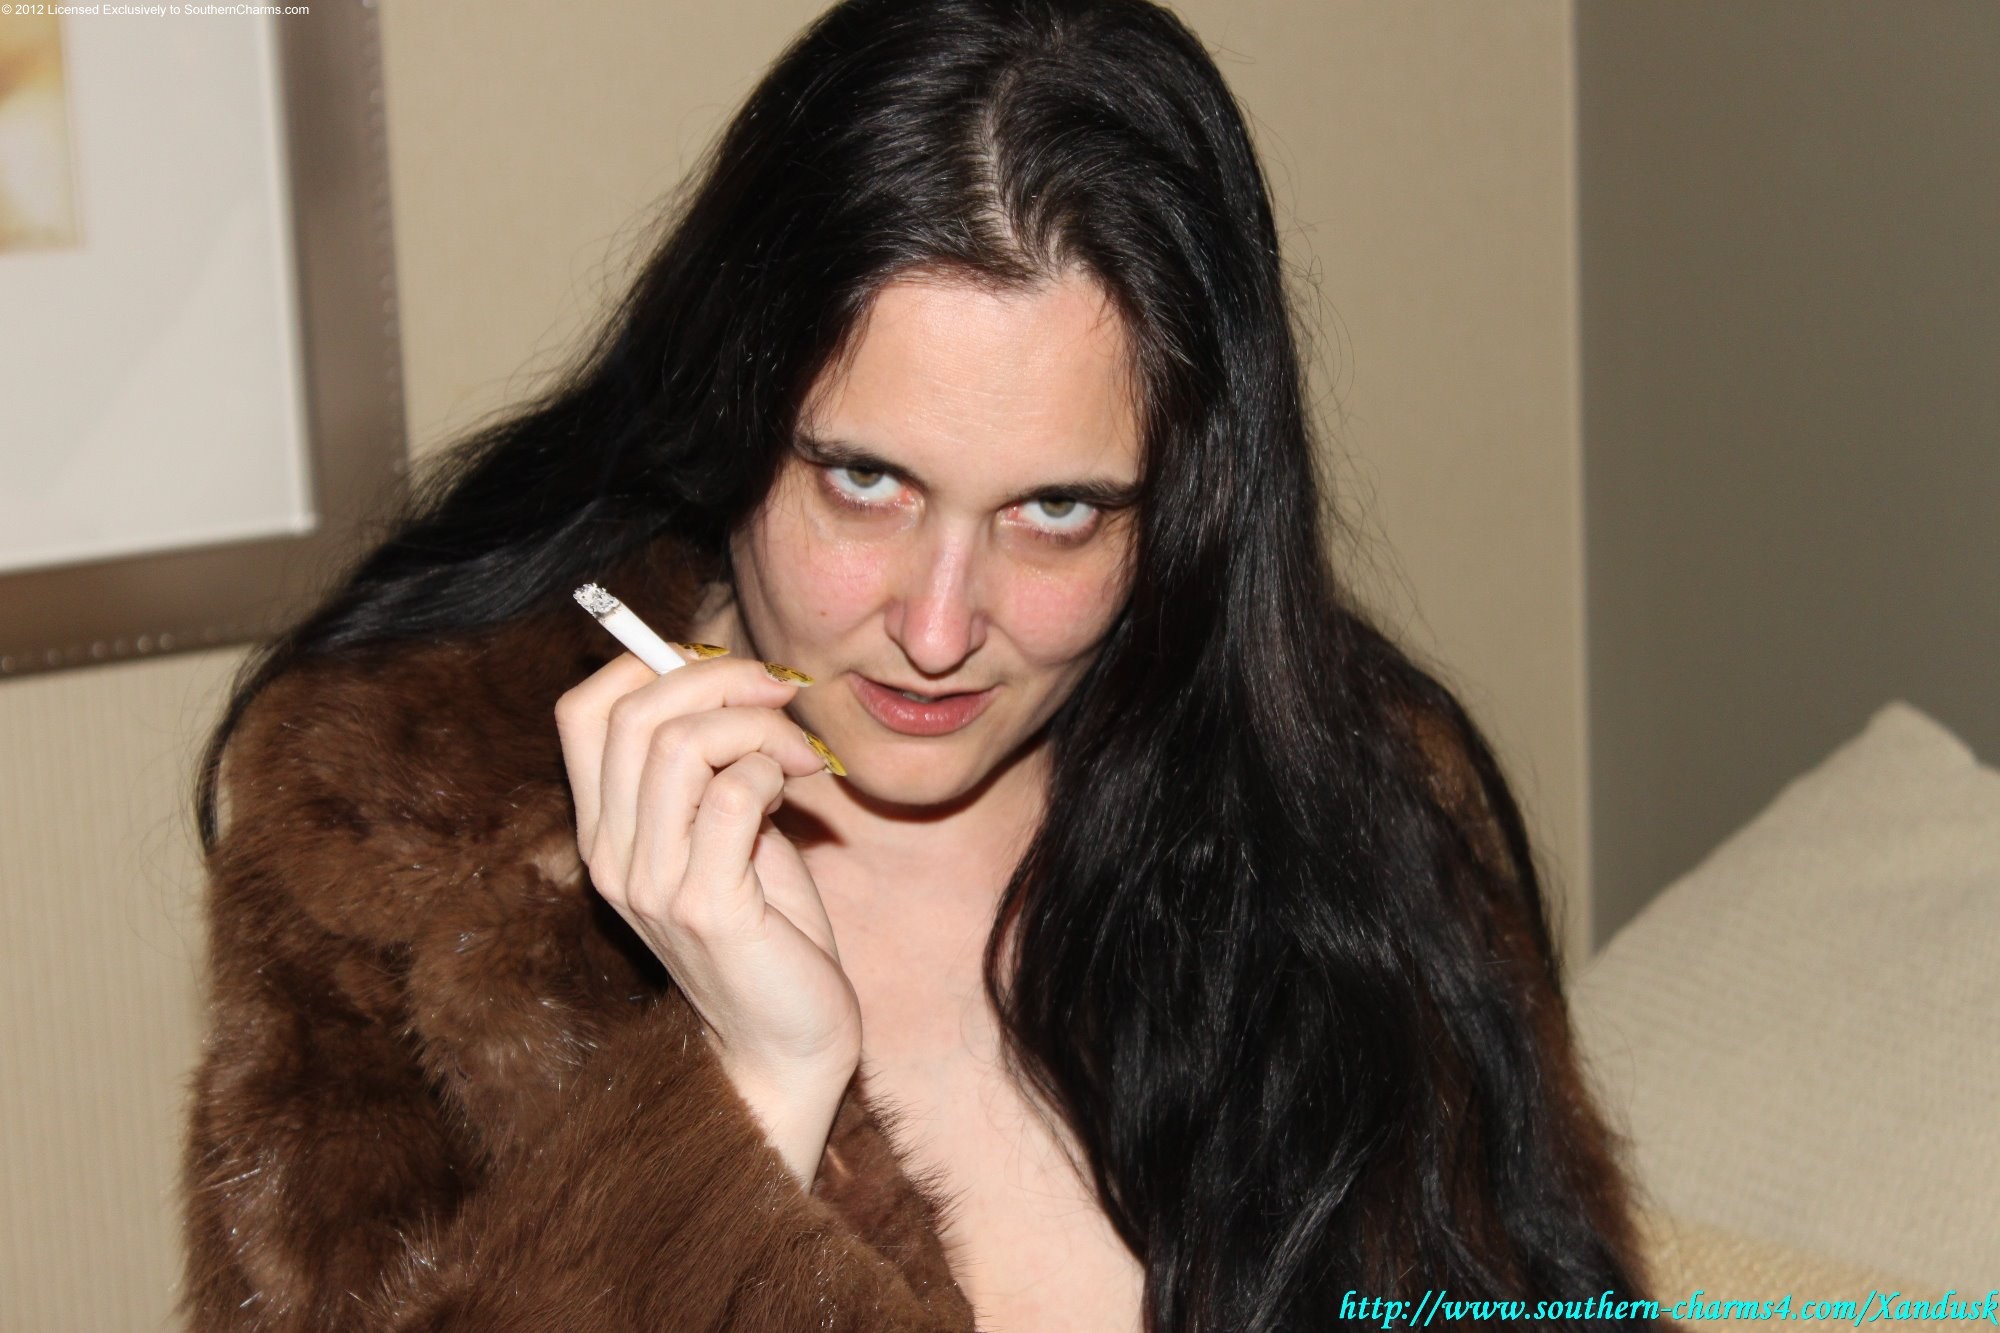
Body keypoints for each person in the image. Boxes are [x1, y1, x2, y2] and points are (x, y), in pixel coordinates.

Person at [178, 0, 1665, 1329]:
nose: (942, 629)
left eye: (1059, 511)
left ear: (1188, 511)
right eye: (864, 482)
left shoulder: (1352, 800)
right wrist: (750, 1102)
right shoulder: (406, 840)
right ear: (733, 413)